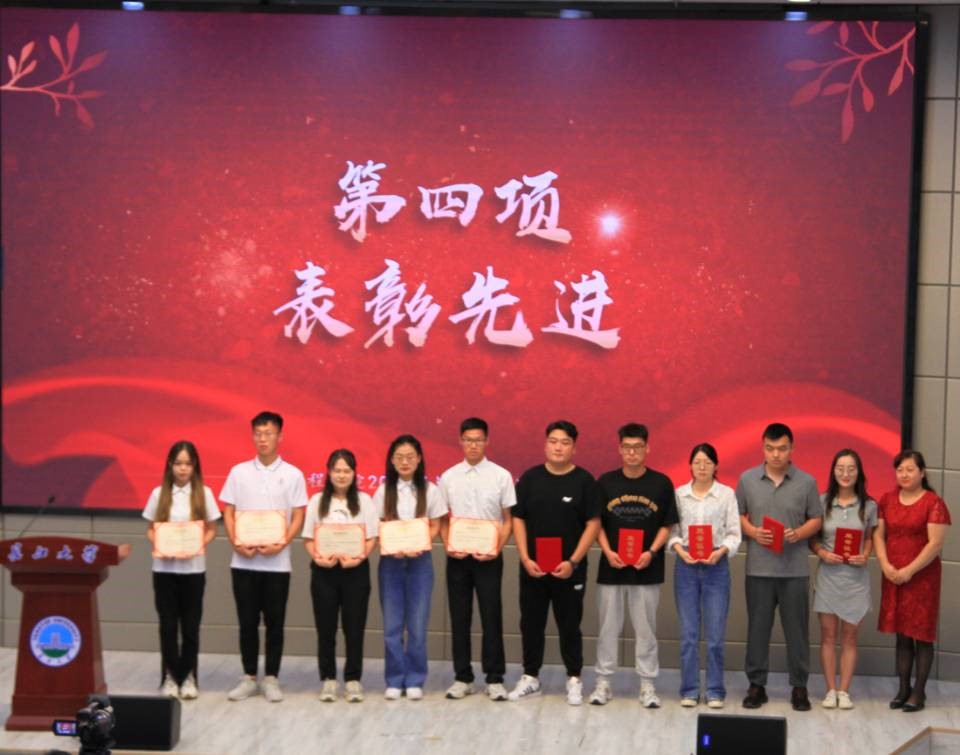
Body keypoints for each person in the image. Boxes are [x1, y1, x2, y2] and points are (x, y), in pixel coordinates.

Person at [509, 420, 600, 706]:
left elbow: (593, 524)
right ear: (545, 444)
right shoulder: (530, 478)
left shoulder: (584, 481)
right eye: (553, 441)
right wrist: (525, 557)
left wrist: (573, 561)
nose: (558, 447)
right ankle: (530, 676)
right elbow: (518, 518)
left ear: (574, 447)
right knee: (531, 623)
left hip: (569, 570)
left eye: (565, 442)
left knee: (570, 624)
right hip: (533, 568)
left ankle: (574, 678)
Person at [588, 423, 678, 708]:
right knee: (607, 628)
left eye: (637, 447)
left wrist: (651, 551)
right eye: (627, 447)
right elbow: (596, 523)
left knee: (646, 630)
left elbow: (667, 524)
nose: (632, 453)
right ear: (619, 449)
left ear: (647, 448)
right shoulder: (605, 482)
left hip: (646, 568)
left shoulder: (661, 483)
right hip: (611, 568)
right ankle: (603, 682)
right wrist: (607, 551)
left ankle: (648, 685)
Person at [221, 411, 308, 703]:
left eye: (268, 433)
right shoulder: (238, 472)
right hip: (243, 561)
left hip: (277, 563)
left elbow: (299, 515)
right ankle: (248, 677)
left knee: (275, 623)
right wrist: (235, 541)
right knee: (247, 622)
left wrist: (282, 542)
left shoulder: (293, 474)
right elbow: (228, 511)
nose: (263, 439)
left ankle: (271, 677)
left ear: (280, 436)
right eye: (258, 434)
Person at [736, 422, 821, 712]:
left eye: (782, 448)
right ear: (762, 448)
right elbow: (737, 515)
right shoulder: (747, 479)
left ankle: (799, 686)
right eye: (770, 448)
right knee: (757, 629)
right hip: (758, 569)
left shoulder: (807, 482)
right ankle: (756, 685)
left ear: (792, 448)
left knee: (797, 631)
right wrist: (752, 531)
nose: (776, 454)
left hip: (794, 570)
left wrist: (798, 533)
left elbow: (816, 519)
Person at [439, 418, 515, 702]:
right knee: (459, 617)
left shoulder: (501, 476)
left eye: (478, 440)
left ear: (487, 442)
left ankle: (495, 678)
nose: (473, 445)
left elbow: (508, 519)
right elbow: (442, 518)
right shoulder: (448, 477)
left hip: (489, 557)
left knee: (491, 616)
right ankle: (463, 677)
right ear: (460, 441)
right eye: (468, 440)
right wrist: (448, 545)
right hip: (458, 557)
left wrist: (497, 547)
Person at [142, 440, 221, 700]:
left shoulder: (204, 493)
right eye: (178, 463)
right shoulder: (159, 494)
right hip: (164, 570)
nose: (183, 468)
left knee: (190, 627)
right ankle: (169, 676)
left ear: (195, 465)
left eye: (188, 463)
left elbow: (212, 529)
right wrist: (161, 544)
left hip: (193, 570)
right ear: (170, 465)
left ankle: (188, 676)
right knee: (167, 626)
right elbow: (150, 529)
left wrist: (197, 544)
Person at [874, 450, 951, 713]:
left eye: (910, 469)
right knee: (902, 634)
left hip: (922, 577)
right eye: (900, 470)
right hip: (893, 573)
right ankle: (903, 688)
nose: (904, 475)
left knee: (921, 634)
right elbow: (878, 535)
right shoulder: (887, 499)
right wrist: (885, 564)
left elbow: (935, 544)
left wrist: (909, 570)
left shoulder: (933, 502)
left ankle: (919, 692)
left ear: (922, 472)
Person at [373, 434, 448, 701]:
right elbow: (377, 525)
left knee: (417, 624)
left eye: (409, 457)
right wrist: (390, 544)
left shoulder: (430, 490)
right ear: (392, 461)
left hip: (420, 562)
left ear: (419, 460)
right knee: (392, 626)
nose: (405, 462)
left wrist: (423, 541)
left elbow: (437, 523)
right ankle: (394, 679)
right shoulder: (383, 491)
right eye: (399, 457)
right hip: (391, 563)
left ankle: (415, 678)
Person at [302, 449, 379, 703]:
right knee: (325, 628)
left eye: (347, 470)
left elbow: (371, 537)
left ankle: (353, 679)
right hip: (324, 572)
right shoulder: (317, 501)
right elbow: (308, 538)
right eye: (337, 470)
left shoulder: (364, 501)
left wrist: (359, 557)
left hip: (355, 572)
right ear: (329, 472)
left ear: (354, 473)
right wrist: (317, 557)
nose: (342, 475)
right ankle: (328, 679)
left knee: (354, 628)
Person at [669, 442, 741, 709]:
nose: (702, 467)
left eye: (707, 463)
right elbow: (672, 531)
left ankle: (714, 690)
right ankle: (689, 690)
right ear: (690, 465)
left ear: (716, 466)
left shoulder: (726, 494)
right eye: (697, 462)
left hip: (716, 565)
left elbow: (734, 533)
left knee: (715, 635)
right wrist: (680, 550)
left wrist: (721, 551)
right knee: (688, 634)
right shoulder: (679, 494)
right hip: (686, 565)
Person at [809, 448, 876, 710]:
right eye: (840, 468)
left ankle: (844, 691)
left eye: (851, 469)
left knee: (850, 638)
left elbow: (869, 538)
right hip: (829, 577)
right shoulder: (821, 502)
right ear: (833, 471)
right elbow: (813, 540)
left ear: (859, 472)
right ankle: (830, 690)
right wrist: (823, 553)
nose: (845, 473)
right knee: (827, 636)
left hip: (856, 579)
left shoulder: (869, 505)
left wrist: (866, 555)